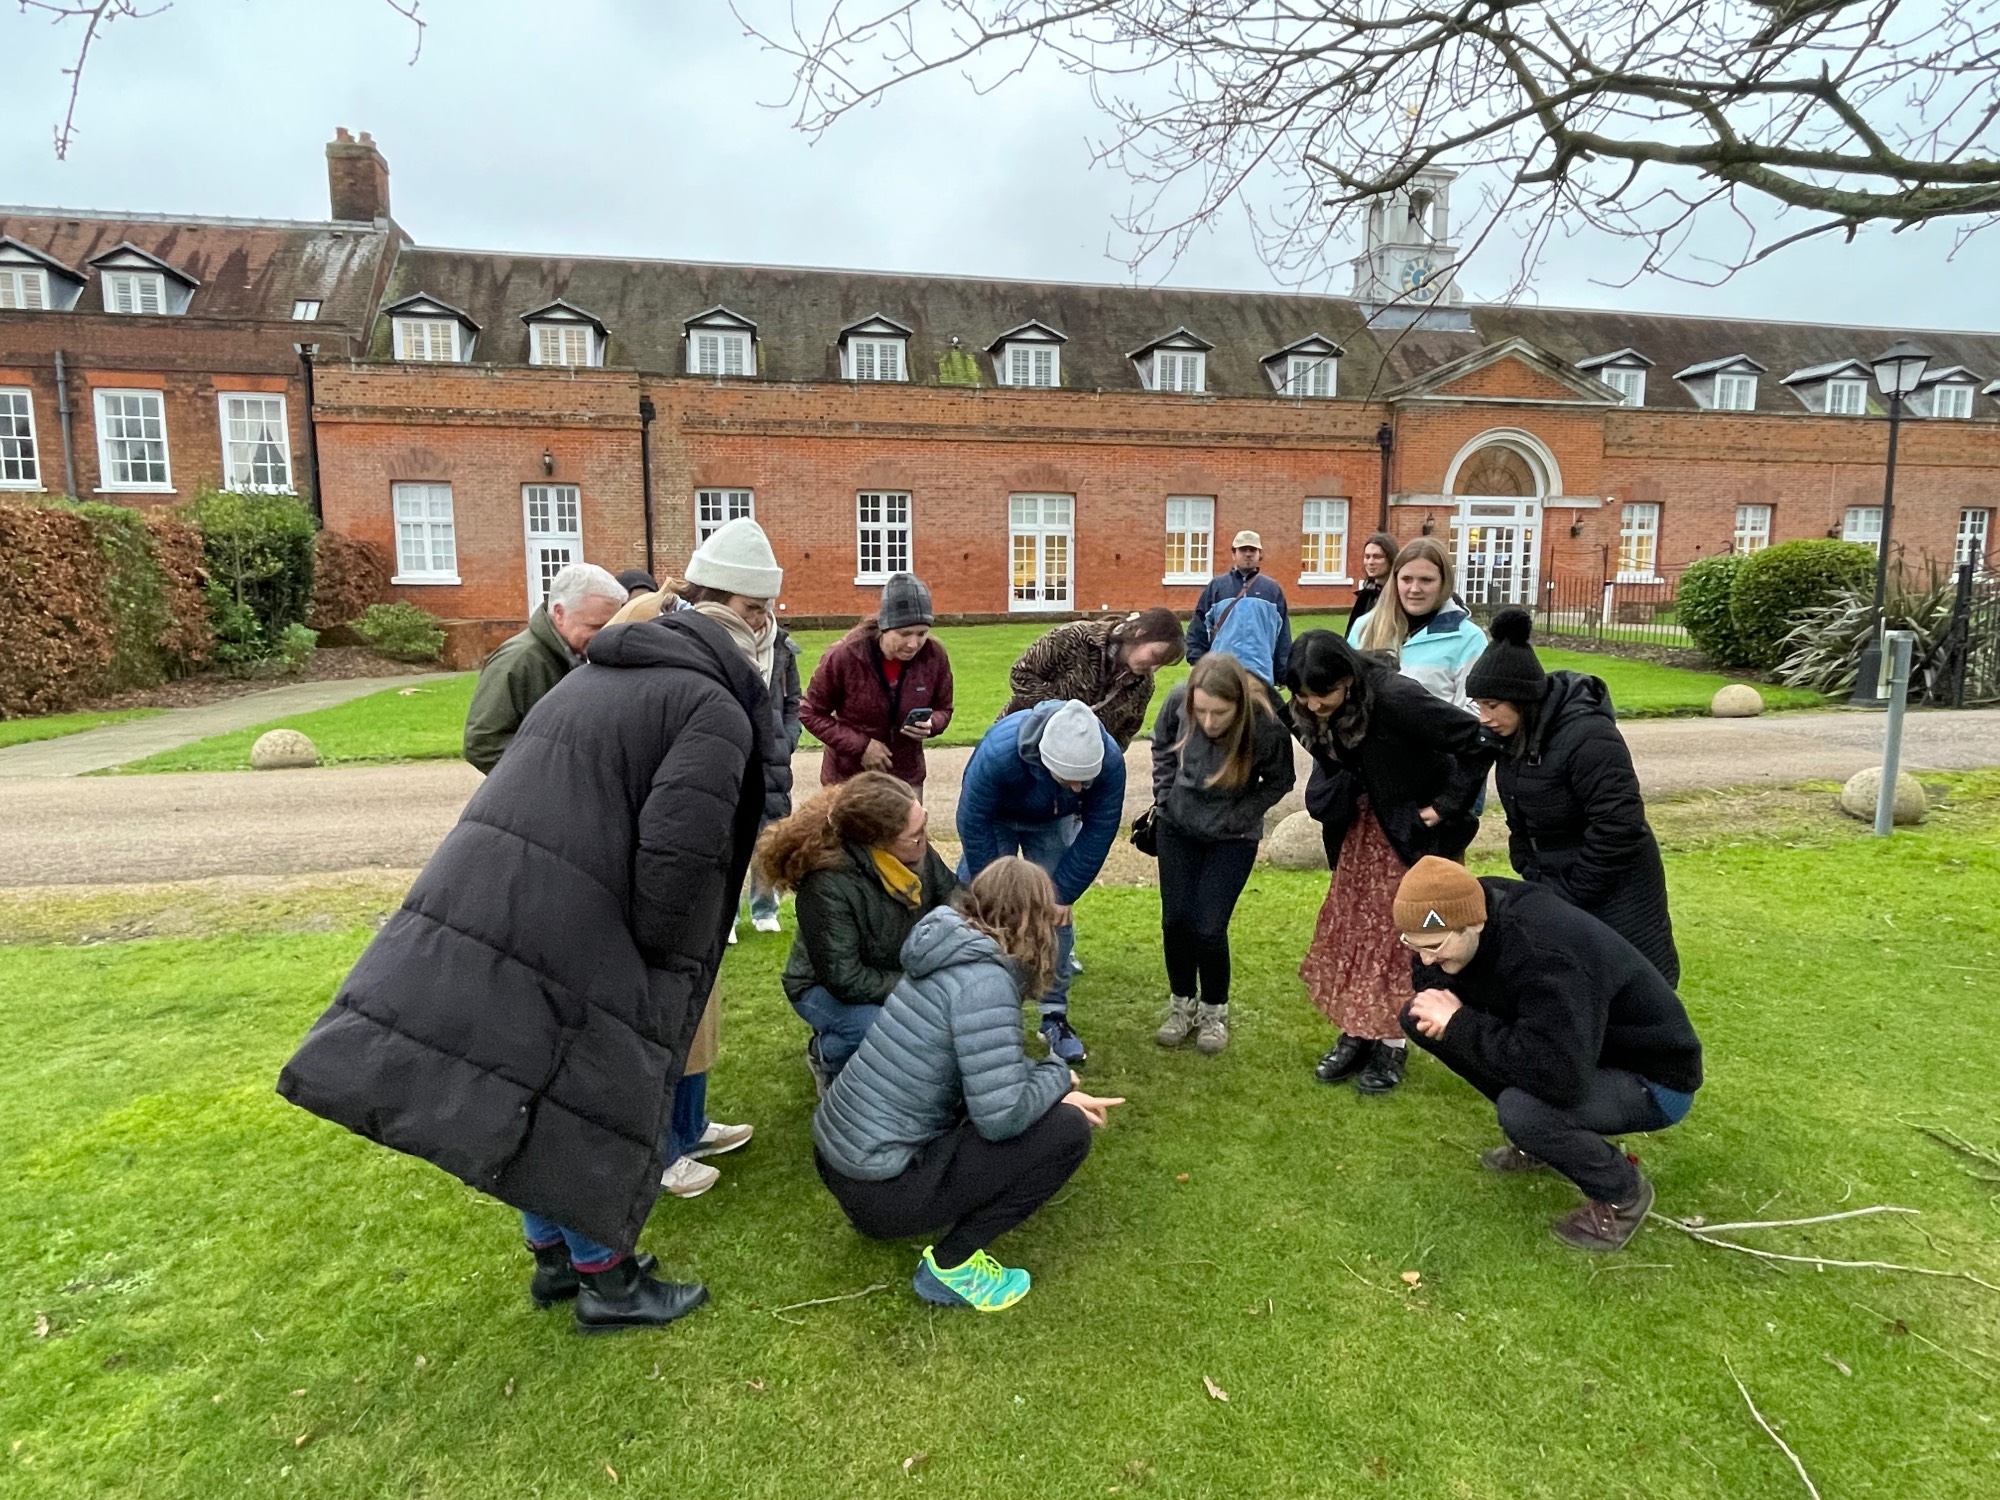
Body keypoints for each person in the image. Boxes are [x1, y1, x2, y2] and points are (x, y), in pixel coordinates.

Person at [277, 596, 778, 1333]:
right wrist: (664, 951)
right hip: (580, 914)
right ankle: (607, 1282)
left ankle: (552, 1258)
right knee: (583, 1094)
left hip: (510, 894)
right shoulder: (712, 708)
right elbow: (680, 854)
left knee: (528, 1081)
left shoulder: (595, 676)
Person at [812, 858, 1125, 1310]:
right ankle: (952, 1266)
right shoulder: (985, 982)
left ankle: (889, 1218)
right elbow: (1000, 1118)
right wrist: (1058, 1075)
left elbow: (984, 1065)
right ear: (1035, 922)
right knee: (1068, 1131)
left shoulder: (949, 950)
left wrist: (1054, 1088)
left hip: (841, 1164)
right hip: (881, 1188)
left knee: (1044, 1108)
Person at [1395, 857, 1702, 1252]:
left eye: (1434, 947)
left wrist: (1461, 1023)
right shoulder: (1460, 911)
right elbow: (1431, 980)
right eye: (1413, 945)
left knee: (1523, 1110)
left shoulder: (1544, 954)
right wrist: (1444, 1006)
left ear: (1474, 923)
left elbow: (1558, 1076)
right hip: (1579, 1050)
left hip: (1653, 1076)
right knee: (1420, 1017)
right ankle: (1540, 1143)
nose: (1425, 959)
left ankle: (1622, 1194)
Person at [630, 519, 785, 1199]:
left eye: (766, 608)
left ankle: (689, 1128)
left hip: (708, 866)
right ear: (714, 600)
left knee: (700, 1015)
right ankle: (660, 1152)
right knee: (664, 1020)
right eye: (753, 608)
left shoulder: (733, 658)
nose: (763, 622)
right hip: (667, 873)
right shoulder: (671, 657)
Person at [1286, 630, 1489, 1094]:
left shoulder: (1397, 698)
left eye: (1323, 694)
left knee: (1403, 933)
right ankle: (1358, 1031)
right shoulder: (1313, 707)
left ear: (1348, 679)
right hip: (1362, 833)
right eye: (1303, 696)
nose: (1313, 705)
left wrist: (1445, 805)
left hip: (1411, 840)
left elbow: (1476, 740)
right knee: (1358, 928)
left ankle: (1394, 1041)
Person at [1467, 608, 1680, 984]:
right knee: (1571, 986)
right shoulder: (1510, 737)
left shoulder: (1589, 736)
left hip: (1615, 886)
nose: (1484, 716)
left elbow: (1620, 824)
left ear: (1523, 699)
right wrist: (1528, 866)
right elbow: (1518, 813)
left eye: (1492, 706)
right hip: (1556, 880)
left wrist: (1576, 890)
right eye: (1479, 705)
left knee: (1631, 985)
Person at [761, 771, 960, 1088]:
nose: (924, 838)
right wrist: (919, 988)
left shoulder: (917, 852)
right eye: (915, 833)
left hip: (889, 971)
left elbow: (954, 900)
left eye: (923, 824)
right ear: (878, 841)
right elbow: (844, 979)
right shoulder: (826, 884)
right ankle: (826, 1054)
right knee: (878, 1029)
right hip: (819, 987)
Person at [956, 699, 1125, 1065]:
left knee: (1055, 916)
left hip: (1051, 822)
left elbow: (1100, 828)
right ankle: (973, 1010)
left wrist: (1064, 892)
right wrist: (995, 892)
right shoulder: (999, 753)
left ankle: (1054, 1016)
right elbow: (973, 818)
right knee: (976, 913)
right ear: (1046, 761)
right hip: (994, 820)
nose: (1079, 789)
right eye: (1070, 779)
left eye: (1086, 781)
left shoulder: (1109, 761)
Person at [1149, 653, 1296, 1054]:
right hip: (1178, 826)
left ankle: (1214, 1011)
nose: (1209, 722)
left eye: (1220, 713)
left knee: (1209, 927)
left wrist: (1240, 815)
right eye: (1201, 712)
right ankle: (1181, 1005)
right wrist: (1165, 794)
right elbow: (1161, 744)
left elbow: (1281, 780)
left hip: (1232, 837)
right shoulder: (1178, 700)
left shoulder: (1265, 724)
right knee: (1176, 921)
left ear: (1239, 705)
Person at [462, 561, 627, 773]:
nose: (605, 635)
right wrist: (554, 774)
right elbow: (482, 744)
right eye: (595, 626)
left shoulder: (579, 654)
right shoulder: (519, 660)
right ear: (559, 613)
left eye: (611, 626)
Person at [801, 573, 954, 794]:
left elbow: (944, 708)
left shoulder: (934, 655)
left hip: (906, 776)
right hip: (849, 778)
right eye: (904, 633)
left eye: (922, 633)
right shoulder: (845, 655)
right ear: (885, 627)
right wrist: (861, 746)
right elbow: (810, 712)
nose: (913, 644)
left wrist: (932, 723)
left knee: (910, 819)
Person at [1001, 607, 1186, 749]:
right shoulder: (1075, 637)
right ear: (1139, 633)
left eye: (1162, 664)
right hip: (1020, 742)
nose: (1154, 669)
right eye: (1155, 656)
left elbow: (1123, 735)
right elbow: (1021, 674)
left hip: (1074, 768)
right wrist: (1061, 712)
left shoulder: (1144, 686)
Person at [1349, 536, 1486, 711]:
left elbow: (1474, 711)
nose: (1414, 589)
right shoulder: (1364, 628)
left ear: (1444, 582)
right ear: (1395, 580)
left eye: (1426, 580)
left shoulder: (1469, 639)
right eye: (1406, 579)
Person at [1186, 529, 1292, 686]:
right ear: (1234, 554)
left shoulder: (1272, 590)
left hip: (1260, 675)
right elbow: (1198, 627)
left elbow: (1282, 636)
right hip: (1221, 675)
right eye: (1243, 549)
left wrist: (1282, 673)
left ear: (1259, 554)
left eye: (1252, 550)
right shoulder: (1217, 587)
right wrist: (1197, 662)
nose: (1248, 554)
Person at [1347, 533, 1399, 632]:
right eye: (1367, 557)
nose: (1370, 562)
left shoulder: (1399, 595)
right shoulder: (1366, 596)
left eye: (1377, 557)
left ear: (1390, 559)